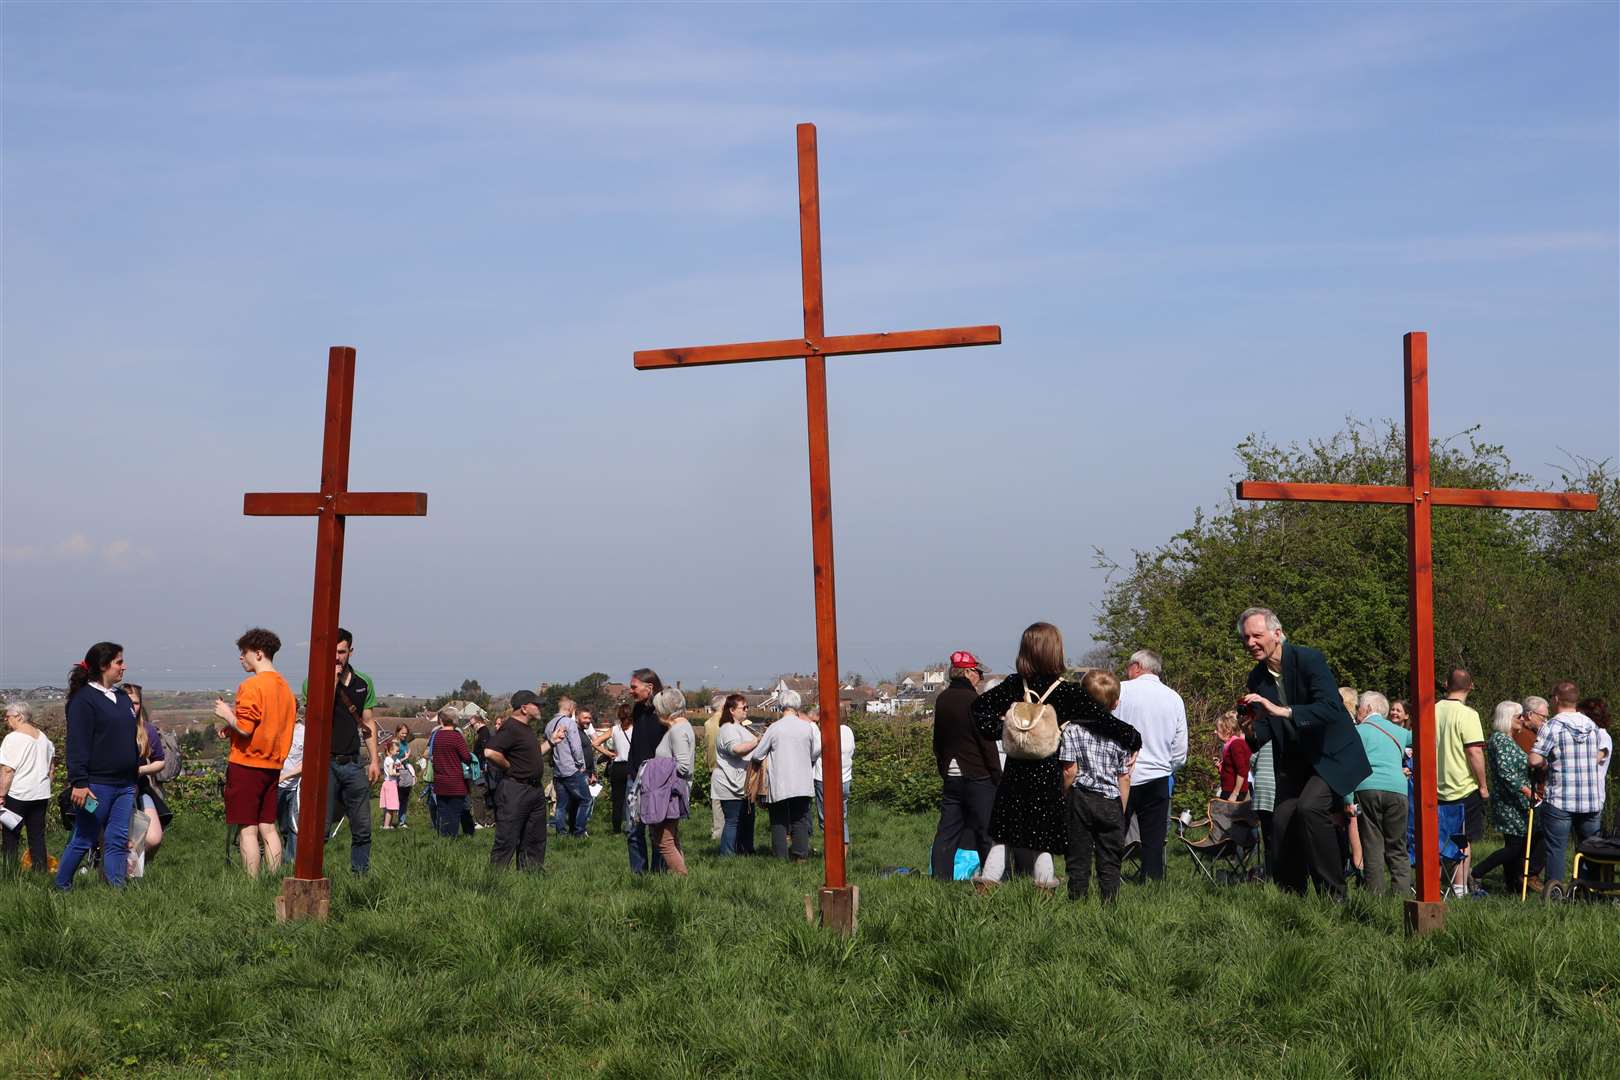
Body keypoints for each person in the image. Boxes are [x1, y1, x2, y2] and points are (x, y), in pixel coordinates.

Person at [971, 622, 1142, 890]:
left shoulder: (1014, 684)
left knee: (1002, 835)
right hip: (1046, 773)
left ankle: (986, 888)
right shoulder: (1068, 692)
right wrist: (1133, 737)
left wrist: (1004, 732)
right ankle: (1043, 895)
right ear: (1056, 651)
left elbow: (978, 710)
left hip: (1015, 771)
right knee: (1043, 839)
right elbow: (1101, 720)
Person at [1235, 608, 1371, 898]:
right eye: (1245, 637)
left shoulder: (1310, 659)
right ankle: (1292, 897)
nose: (1250, 643)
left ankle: (1334, 894)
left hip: (1331, 756)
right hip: (1295, 761)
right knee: (1282, 818)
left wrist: (1282, 711)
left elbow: (1330, 709)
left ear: (1277, 633)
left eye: (1256, 636)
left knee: (1309, 808)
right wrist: (1250, 729)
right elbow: (1265, 736)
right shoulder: (1256, 679)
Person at [214, 629, 298, 879]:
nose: (241, 658)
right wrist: (232, 728)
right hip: (273, 765)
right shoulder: (285, 689)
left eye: (244, 653)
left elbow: (247, 728)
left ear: (258, 654)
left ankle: (252, 884)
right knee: (268, 826)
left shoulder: (252, 686)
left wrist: (227, 714)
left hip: (247, 764)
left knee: (247, 828)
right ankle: (274, 878)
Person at [56, 644, 139, 889]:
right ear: (103, 666)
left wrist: (132, 779)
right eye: (118, 662)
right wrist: (79, 783)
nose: (123, 666)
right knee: (85, 836)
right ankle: (61, 886)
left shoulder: (122, 698)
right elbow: (77, 744)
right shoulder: (83, 701)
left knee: (117, 839)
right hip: (95, 786)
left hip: (124, 785)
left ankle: (116, 890)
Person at [300, 629, 382, 874]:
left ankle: (360, 875)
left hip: (353, 762)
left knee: (362, 826)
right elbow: (314, 717)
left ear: (350, 652)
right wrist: (332, 683)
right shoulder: (312, 681)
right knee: (321, 827)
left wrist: (375, 760)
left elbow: (368, 723)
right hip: (325, 763)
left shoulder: (363, 682)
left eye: (341, 652)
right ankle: (311, 875)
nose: (336, 658)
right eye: (332, 653)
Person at [1059, 671, 1135, 902]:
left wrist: (1062, 794)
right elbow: (1124, 778)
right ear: (1115, 703)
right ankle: (1109, 904)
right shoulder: (1122, 734)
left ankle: (1077, 902)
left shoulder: (1073, 729)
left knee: (1078, 857)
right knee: (1110, 859)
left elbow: (1069, 770)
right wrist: (1121, 810)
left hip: (1081, 797)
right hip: (1110, 800)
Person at [1118, 649, 1188, 882]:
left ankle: (1108, 879)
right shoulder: (1174, 697)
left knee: (1115, 833)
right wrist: (1168, 767)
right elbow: (1180, 748)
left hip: (1122, 774)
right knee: (1154, 840)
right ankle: (1153, 883)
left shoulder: (1120, 691)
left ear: (1137, 666)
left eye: (1129, 665)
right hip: (1158, 775)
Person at [929, 651, 997, 880]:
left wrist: (943, 768)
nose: (981, 678)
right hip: (978, 774)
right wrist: (997, 776)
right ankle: (990, 880)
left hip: (952, 774)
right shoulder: (975, 701)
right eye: (978, 673)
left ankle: (940, 878)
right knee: (986, 831)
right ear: (967, 672)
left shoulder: (942, 699)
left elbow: (937, 741)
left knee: (947, 831)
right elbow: (986, 743)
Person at [1530, 681, 1604, 883]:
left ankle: (1555, 892)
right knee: (1589, 849)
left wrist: (1547, 760)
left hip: (1561, 799)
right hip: (1590, 799)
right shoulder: (1592, 726)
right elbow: (1598, 756)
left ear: (1556, 699)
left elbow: (1534, 759)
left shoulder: (1552, 726)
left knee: (1556, 849)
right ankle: (1589, 890)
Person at [1348, 691, 1411, 896]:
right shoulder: (1399, 732)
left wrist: (1348, 800)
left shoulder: (1358, 732)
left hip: (1367, 788)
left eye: (1359, 707)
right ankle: (1402, 896)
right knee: (1398, 846)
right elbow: (1422, 740)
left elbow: (1350, 766)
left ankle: (1375, 898)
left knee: (1373, 845)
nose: (1357, 711)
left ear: (1369, 709)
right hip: (1398, 789)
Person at [747, 691, 821, 861]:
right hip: (802, 780)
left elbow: (758, 755)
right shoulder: (807, 728)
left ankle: (780, 856)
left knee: (779, 820)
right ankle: (800, 855)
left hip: (780, 780)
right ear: (798, 705)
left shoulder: (775, 728)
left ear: (781, 705)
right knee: (800, 818)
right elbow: (816, 750)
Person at [1434, 667, 1488, 897]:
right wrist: (1483, 785)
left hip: (1435, 786)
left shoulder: (1432, 710)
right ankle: (1459, 888)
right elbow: (1474, 751)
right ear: (1471, 686)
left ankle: (1432, 886)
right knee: (1463, 839)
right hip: (1463, 786)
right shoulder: (1468, 715)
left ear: (1446, 684)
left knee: (1437, 839)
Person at [1472, 701, 1533, 894]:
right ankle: (1477, 872)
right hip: (1510, 802)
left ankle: (1512, 886)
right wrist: (1526, 790)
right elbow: (1506, 773)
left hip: (1513, 800)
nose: (1522, 720)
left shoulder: (1507, 740)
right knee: (1514, 847)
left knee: (1513, 845)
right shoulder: (1501, 740)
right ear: (1507, 718)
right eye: (1519, 716)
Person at [484, 691, 550, 870]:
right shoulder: (511, 727)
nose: (540, 707)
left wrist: (551, 742)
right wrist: (508, 766)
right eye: (537, 704)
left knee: (534, 838)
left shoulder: (525, 728)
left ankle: (531, 876)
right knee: (507, 837)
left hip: (533, 790)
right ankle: (494, 878)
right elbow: (490, 752)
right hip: (516, 790)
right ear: (524, 708)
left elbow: (530, 755)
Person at [1, 701, 55, 874]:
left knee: (11, 835)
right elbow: (51, 770)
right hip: (40, 794)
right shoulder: (44, 739)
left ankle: (10, 873)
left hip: (17, 794)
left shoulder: (13, 738)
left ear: (19, 716)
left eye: (8, 716)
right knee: (37, 835)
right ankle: (40, 872)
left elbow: (8, 770)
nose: (6, 719)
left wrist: (1, 794)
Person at [647, 688, 695, 875]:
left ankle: (681, 877)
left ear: (665, 709)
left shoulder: (677, 730)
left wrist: (653, 766)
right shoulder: (682, 727)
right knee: (671, 838)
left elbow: (683, 766)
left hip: (669, 793)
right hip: (672, 790)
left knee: (663, 840)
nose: (656, 713)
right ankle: (678, 880)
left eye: (657, 708)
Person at [625, 670, 667, 874]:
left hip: (656, 777)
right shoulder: (638, 709)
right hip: (634, 777)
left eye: (634, 687)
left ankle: (659, 872)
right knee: (633, 830)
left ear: (649, 688)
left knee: (657, 829)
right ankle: (638, 874)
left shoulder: (663, 712)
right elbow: (636, 742)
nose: (630, 690)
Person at [127, 685, 170, 877]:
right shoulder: (108, 728)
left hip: (141, 787)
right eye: (128, 702)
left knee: (153, 837)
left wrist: (141, 769)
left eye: (135, 703)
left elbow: (160, 761)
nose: (132, 707)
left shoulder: (147, 730)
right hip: (114, 789)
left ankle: (141, 866)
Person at [712, 693, 759, 856]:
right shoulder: (727, 729)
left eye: (747, 707)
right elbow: (737, 750)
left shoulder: (740, 727)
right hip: (729, 783)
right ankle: (728, 855)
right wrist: (758, 741)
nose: (746, 710)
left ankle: (745, 850)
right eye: (743, 707)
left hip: (743, 783)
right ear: (732, 710)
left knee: (747, 820)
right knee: (733, 821)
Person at [812, 705, 855, 848]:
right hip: (845, 779)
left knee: (826, 819)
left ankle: (832, 853)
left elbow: (813, 753)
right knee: (841, 819)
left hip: (824, 780)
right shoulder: (848, 731)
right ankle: (843, 853)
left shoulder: (825, 731)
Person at [548, 697, 590, 838]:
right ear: (571, 709)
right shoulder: (569, 723)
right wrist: (581, 764)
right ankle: (579, 832)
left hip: (558, 770)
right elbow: (576, 747)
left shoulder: (549, 724)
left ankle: (561, 833)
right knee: (586, 799)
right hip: (571, 768)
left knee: (561, 804)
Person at [429, 707, 473, 838]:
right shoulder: (456, 737)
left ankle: (443, 839)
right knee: (454, 813)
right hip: (455, 781)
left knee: (443, 813)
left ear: (441, 720)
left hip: (440, 781)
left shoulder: (436, 737)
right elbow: (466, 757)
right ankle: (452, 840)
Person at [277, 712, 306, 863]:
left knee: (294, 825)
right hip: (277, 786)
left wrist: (285, 776)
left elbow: (307, 762)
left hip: (296, 786)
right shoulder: (276, 730)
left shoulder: (304, 733)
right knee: (283, 827)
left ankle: (292, 863)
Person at [704, 693, 727, 841]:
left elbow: (707, 746)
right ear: (723, 707)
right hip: (726, 764)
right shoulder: (725, 723)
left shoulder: (707, 723)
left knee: (716, 802)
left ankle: (717, 831)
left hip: (713, 765)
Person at [608, 702, 634, 836]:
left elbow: (595, 742)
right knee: (632, 798)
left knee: (617, 800)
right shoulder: (635, 729)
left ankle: (616, 829)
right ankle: (631, 827)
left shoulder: (614, 729)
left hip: (617, 767)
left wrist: (609, 753)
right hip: (631, 766)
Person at [1215, 711, 1251, 801]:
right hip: (1228, 789)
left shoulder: (1236, 744)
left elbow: (1242, 771)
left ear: (1227, 731)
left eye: (1217, 729)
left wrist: (1235, 793)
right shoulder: (1230, 745)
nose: (1215, 732)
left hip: (1233, 792)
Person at [391, 725, 415, 827]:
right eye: (403, 733)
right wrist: (405, 758)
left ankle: (401, 821)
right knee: (394, 798)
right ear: (397, 732)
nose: (405, 735)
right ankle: (388, 822)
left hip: (405, 771)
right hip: (396, 772)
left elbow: (406, 759)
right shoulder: (394, 743)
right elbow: (392, 759)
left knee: (404, 798)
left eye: (406, 733)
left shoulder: (405, 743)